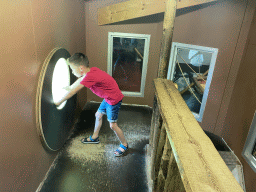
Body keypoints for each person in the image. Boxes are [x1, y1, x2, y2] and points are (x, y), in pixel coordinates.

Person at [54, 53, 128, 157]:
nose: (71, 71)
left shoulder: (90, 77)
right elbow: (81, 80)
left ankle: (124, 144)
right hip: (108, 97)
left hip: (113, 100)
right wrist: (70, 87)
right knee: (98, 115)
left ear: (80, 68)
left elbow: (72, 92)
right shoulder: (91, 71)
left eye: (72, 69)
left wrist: (58, 102)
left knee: (113, 125)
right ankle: (95, 137)